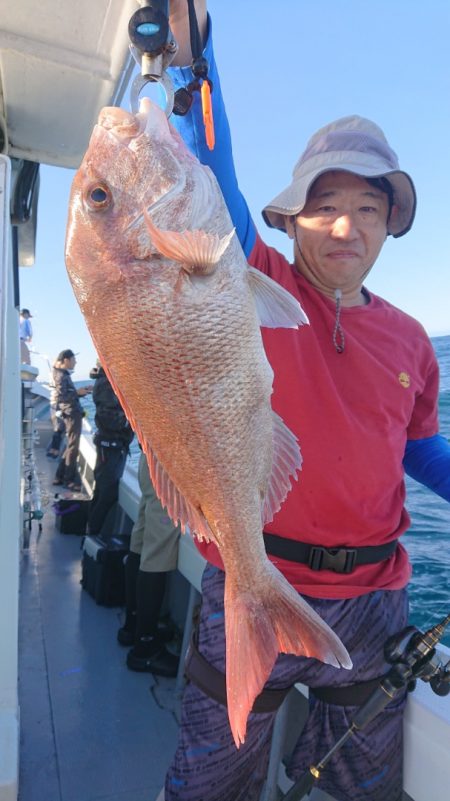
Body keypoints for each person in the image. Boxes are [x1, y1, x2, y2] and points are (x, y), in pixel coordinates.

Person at [153, 4, 450, 801]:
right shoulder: (248, 278)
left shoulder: (413, 339)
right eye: (326, 204)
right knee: (211, 782)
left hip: (374, 606)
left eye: (370, 208)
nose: (346, 226)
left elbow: (416, 448)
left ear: (390, 227)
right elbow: (211, 168)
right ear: (290, 220)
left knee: (361, 788)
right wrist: (194, 53)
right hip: (253, 583)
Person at [117, 451, 181, 678]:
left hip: (151, 454)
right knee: (157, 552)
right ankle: (145, 647)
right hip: (168, 457)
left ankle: (133, 626)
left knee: (142, 538)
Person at [87, 360, 134, 536]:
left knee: (102, 489)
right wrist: (130, 420)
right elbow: (109, 417)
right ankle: (94, 533)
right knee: (107, 493)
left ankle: (93, 531)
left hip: (113, 446)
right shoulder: (107, 382)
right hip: (111, 446)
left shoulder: (107, 381)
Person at [52, 349, 92, 491]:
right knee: (73, 447)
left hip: (70, 413)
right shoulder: (61, 376)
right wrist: (77, 393)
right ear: (66, 360)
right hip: (71, 414)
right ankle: (68, 480)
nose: (76, 362)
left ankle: (59, 476)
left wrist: (80, 392)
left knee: (70, 446)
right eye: (74, 360)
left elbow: (66, 395)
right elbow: (63, 397)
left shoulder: (61, 374)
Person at [46, 355, 67, 459]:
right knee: (58, 429)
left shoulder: (54, 374)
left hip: (54, 404)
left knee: (58, 429)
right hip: (56, 404)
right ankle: (53, 451)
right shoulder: (57, 375)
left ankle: (53, 450)